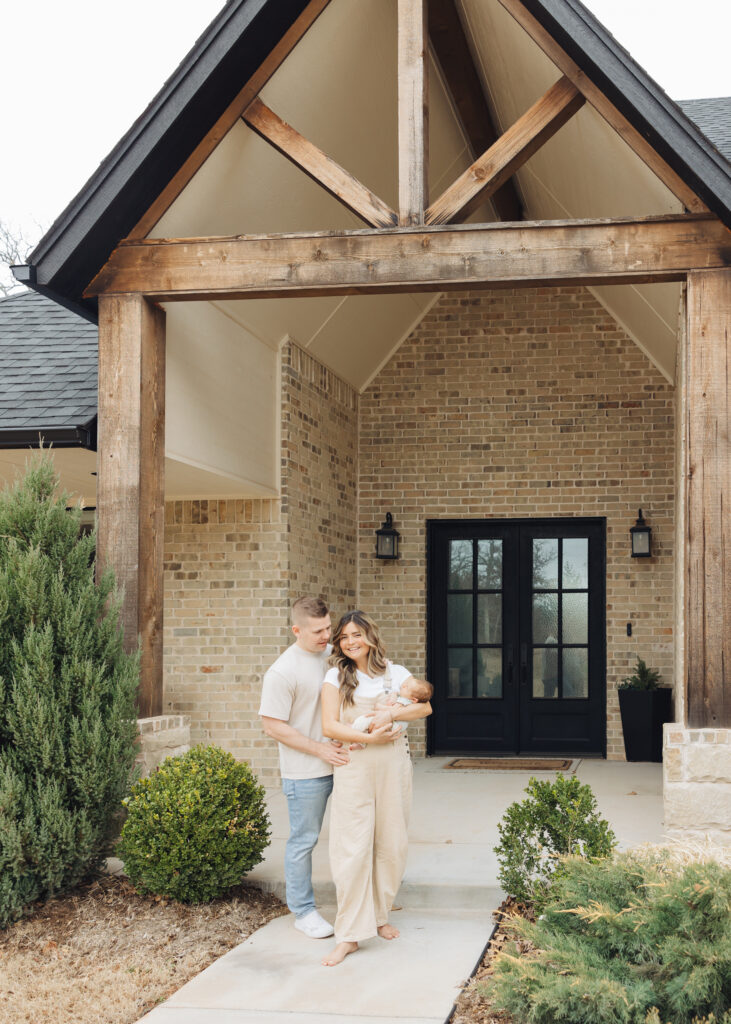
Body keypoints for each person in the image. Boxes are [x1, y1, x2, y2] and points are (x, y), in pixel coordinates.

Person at [320, 610, 432, 967]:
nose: (350, 642)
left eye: (357, 635)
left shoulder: (395, 673)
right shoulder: (335, 676)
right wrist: (367, 735)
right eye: (344, 637)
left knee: (391, 843)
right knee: (352, 847)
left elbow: (425, 706)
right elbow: (329, 727)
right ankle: (349, 935)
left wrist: (391, 716)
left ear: (370, 636)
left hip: (394, 765)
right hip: (355, 766)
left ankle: (380, 915)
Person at [259, 596, 349, 939]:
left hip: (344, 764)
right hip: (306, 772)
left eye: (328, 627)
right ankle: (303, 911)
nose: (326, 635)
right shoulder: (282, 671)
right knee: (304, 841)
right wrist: (319, 750)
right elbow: (273, 726)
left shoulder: (333, 657)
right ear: (296, 629)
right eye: (317, 631)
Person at [348, 677, 434, 741]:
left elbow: (392, 711)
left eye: (406, 687)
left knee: (366, 719)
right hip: (396, 728)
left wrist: (380, 707)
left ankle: (353, 727)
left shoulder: (404, 701)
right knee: (371, 732)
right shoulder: (409, 701)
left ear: (414, 699)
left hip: (393, 726)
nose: (403, 685)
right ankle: (360, 744)